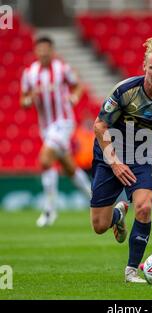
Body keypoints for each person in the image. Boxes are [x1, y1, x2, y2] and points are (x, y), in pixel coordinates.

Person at [90, 38, 152, 283]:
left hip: (142, 155)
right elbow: (99, 125)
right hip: (109, 153)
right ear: (144, 66)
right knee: (99, 226)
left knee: (145, 207)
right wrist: (114, 162)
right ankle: (117, 215)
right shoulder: (125, 90)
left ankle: (131, 271)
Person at [20, 36, 91, 227]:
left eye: (46, 49)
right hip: (46, 127)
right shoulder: (30, 73)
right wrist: (28, 100)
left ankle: (49, 211)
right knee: (69, 168)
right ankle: (95, 199)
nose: (43, 52)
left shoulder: (62, 68)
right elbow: (23, 100)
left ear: (52, 50)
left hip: (64, 122)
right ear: (36, 51)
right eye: (40, 49)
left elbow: (78, 86)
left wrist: (74, 98)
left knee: (45, 160)